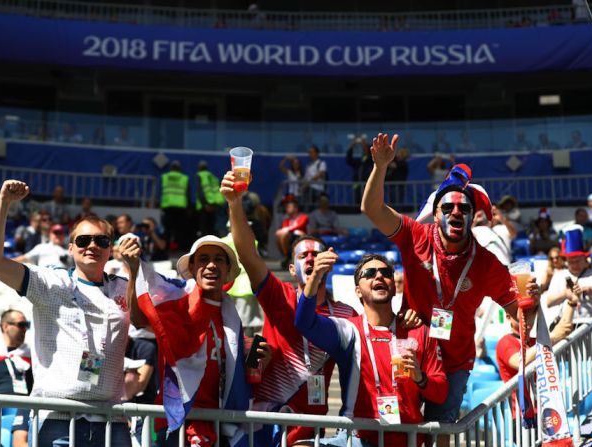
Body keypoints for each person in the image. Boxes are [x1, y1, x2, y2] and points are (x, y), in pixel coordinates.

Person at [360, 133, 540, 431]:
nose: (456, 212)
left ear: (472, 217)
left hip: (456, 362)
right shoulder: (415, 235)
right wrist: (380, 167)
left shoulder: (486, 262)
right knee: (399, 426)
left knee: (441, 430)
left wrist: (530, 302)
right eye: (447, 208)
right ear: (437, 212)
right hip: (410, 351)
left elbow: (519, 313)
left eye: (464, 209)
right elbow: (372, 209)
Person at [0, 179, 139, 447]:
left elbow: (148, 317)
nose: (92, 246)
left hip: (111, 418)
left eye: (101, 240)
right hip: (58, 418)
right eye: (83, 240)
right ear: (70, 247)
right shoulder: (50, 283)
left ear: (110, 249)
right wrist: (4, 203)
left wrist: (136, 270)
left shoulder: (125, 288)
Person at [221, 171, 358, 446]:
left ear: (329, 262)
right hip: (264, 419)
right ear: (292, 269)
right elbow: (247, 253)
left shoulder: (346, 315)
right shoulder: (279, 295)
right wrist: (235, 203)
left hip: (310, 425)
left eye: (316, 254)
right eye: (303, 255)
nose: (311, 258)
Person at [295, 253, 448, 447]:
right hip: (356, 438)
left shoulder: (420, 331)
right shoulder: (348, 330)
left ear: (394, 287)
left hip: (405, 439)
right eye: (369, 273)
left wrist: (420, 377)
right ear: (358, 291)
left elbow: (441, 392)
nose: (378, 277)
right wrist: (316, 275)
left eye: (386, 273)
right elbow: (304, 323)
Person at [129, 235, 253, 447]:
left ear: (227, 269)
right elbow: (139, 319)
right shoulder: (175, 302)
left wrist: (254, 357)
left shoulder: (231, 316)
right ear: (193, 266)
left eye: (219, 260)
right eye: (203, 259)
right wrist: (133, 271)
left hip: (218, 423)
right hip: (176, 422)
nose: (211, 265)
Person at [542, 225, 592, 325]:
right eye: (571, 261)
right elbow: (549, 302)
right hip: (567, 325)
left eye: (578, 261)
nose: (575, 265)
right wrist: (565, 294)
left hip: (590, 325)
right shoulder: (559, 275)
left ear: (584, 258)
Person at [160, 160, 191, 252]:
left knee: (167, 230)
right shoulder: (184, 178)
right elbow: (187, 194)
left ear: (171, 168)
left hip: (168, 207)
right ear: (179, 169)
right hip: (180, 207)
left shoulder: (165, 177)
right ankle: (179, 249)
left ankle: (166, 249)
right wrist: (189, 208)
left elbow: (160, 191)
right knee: (179, 230)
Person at [195, 160, 227, 237]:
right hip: (214, 206)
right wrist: (214, 205)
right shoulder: (213, 177)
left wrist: (205, 204)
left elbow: (200, 191)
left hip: (204, 206)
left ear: (199, 168)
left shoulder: (199, 175)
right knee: (212, 230)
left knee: (204, 230)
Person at [275, 194, 308, 268]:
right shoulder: (286, 220)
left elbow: (300, 225)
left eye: (289, 207)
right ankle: (287, 256)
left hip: (299, 238)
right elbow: (283, 230)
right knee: (280, 237)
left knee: (284, 234)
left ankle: (289, 257)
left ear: (296, 208)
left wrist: (288, 229)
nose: (287, 209)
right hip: (289, 238)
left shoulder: (303, 217)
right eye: (286, 207)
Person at [346, 135, 372, 204]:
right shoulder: (360, 161)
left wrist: (363, 143)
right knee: (357, 203)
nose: (363, 149)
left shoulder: (371, 160)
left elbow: (368, 156)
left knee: (367, 203)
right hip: (357, 186)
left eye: (365, 148)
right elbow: (349, 160)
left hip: (367, 186)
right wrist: (352, 146)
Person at [302, 145, 327, 210]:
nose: (310, 154)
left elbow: (321, 174)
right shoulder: (308, 165)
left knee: (316, 208)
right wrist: (304, 185)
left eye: (312, 152)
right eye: (309, 152)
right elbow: (306, 177)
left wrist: (309, 182)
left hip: (317, 189)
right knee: (307, 208)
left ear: (317, 153)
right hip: (308, 189)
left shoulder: (321, 163)